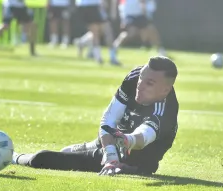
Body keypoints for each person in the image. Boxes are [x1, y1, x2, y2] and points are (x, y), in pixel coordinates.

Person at [11, 56, 179, 176]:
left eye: (149, 83)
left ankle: (13, 157)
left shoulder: (166, 109)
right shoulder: (134, 78)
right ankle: (97, 148)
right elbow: (109, 119)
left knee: (43, 158)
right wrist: (110, 152)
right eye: (142, 77)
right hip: (111, 143)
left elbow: (142, 137)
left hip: (132, 160)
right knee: (66, 151)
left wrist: (123, 144)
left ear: (165, 90)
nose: (140, 85)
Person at [73, 0, 121, 65]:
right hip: (94, 5)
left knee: (95, 32)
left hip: (82, 5)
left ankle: (98, 57)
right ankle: (112, 58)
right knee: (107, 31)